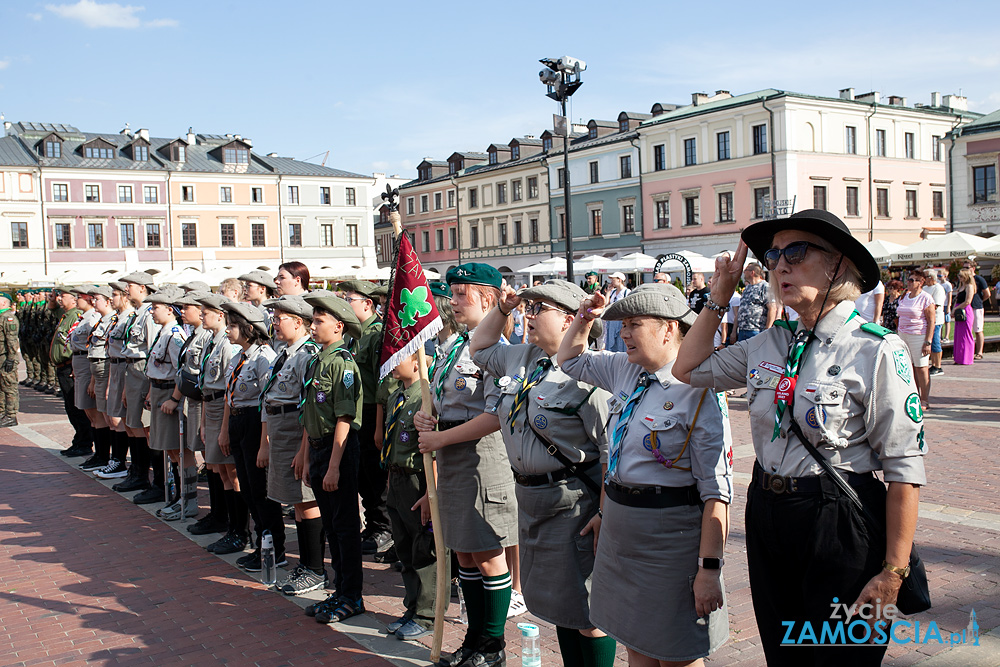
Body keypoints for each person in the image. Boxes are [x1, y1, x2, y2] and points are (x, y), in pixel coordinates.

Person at [674, 209, 927, 667]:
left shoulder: (876, 348)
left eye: (796, 251)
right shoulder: (768, 342)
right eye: (773, 255)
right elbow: (686, 369)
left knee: (839, 658)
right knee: (784, 654)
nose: (779, 265)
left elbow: (904, 470)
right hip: (770, 513)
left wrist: (893, 571)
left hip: (838, 520)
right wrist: (718, 297)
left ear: (837, 264)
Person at [559, 282, 732, 666]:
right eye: (621, 325)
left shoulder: (699, 388)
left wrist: (709, 569)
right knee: (635, 645)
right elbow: (569, 359)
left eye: (633, 323)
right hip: (622, 531)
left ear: (668, 328)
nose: (622, 333)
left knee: (676, 652)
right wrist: (586, 316)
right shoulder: (624, 369)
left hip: (669, 538)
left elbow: (716, 492)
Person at [471, 280, 617, 666]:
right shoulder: (522, 357)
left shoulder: (593, 374)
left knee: (587, 609)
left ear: (571, 319)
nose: (529, 315)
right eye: (529, 307)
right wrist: (503, 309)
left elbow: (610, 453)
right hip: (532, 499)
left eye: (539, 309)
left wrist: (604, 512)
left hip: (573, 502)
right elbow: (480, 348)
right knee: (561, 606)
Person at [413, 263, 518, 667]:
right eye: (452, 294)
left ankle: (493, 646)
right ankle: (475, 640)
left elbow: (495, 416)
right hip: (452, 454)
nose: (453, 302)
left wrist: (440, 436)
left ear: (488, 299)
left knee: (488, 554)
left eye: (462, 295)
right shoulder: (452, 345)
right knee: (466, 555)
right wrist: (430, 419)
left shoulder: (496, 351)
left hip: (483, 457)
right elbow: (443, 402)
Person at [299, 290, 366, 624]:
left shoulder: (343, 364)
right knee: (331, 525)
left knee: (344, 527)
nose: (313, 325)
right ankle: (339, 590)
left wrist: (334, 466)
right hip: (319, 447)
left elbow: (344, 417)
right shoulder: (317, 360)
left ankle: (352, 596)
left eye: (319, 320)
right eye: (313, 319)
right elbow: (309, 413)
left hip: (337, 449)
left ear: (339, 326)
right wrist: (307, 455)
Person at [259, 295, 328, 596]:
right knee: (297, 502)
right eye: (273, 317)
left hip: (295, 432)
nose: (274, 322)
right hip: (281, 430)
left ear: (299, 322)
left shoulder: (307, 355)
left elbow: (308, 407)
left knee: (307, 500)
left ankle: (315, 569)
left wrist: (304, 450)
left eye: (279, 317)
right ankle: (306, 565)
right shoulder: (285, 353)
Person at [219, 301, 283, 572]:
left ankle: (273, 548)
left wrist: (264, 443)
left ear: (248, 328)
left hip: (255, 423)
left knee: (260, 490)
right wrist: (224, 429)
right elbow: (229, 395)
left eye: (232, 326)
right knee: (247, 487)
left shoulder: (263, 357)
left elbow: (267, 400)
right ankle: (261, 544)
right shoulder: (239, 356)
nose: (227, 331)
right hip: (237, 420)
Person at [379, 350, 438, 640]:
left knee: (424, 549)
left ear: (416, 362)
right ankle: (412, 607)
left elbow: (433, 451)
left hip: (418, 481)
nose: (391, 363)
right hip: (398, 479)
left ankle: (427, 615)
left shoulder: (424, 398)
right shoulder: (395, 396)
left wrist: (430, 493)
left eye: (397, 357)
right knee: (404, 548)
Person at [338, 280, 394, 557]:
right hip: (357, 412)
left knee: (375, 474)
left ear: (367, 304)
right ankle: (372, 524)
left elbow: (383, 380)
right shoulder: (353, 336)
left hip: (373, 411)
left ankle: (384, 527)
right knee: (362, 474)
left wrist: (380, 424)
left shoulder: (377, 334)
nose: (346, 303)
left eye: (350, 299)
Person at [195, 293, 248, 550]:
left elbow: (231, 390)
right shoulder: (213, 342)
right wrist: (205, 422)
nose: (201, 315)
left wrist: (223, 427)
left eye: (206, 312)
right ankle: (227, 523)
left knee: (231, 472)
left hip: (223, 408)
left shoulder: (228, 346)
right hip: (213, 407)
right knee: (220, 469)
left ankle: (239, 529)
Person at [144, 289, 192, 520]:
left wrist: (174, 399)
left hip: (168, 395)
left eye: (155, 307)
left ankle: (186, 497)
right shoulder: (164, 333)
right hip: (158, 392)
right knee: (170, 450)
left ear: (169, 309)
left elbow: (180, 372)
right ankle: (177, 494)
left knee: (178, 450)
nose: (152, 312)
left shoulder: (175, 336)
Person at [120, 272, 162, 503]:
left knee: (147, 429)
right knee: (134, 424)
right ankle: (138, 472)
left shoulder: (149, 314)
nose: (127, 290)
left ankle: (154, 481)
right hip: (133, 371)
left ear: (143, 287)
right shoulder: (139, 314)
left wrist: (148, 387)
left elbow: (154, 352)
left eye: (130, 286)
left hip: (144, 372)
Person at [51, 286, 93, 457]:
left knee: (77, 408)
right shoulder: (66, 315)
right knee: (71, 406)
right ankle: (79, 440)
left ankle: (84, 442)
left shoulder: (76, 316)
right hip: (65, 366)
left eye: (63, 296)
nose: (59, 299)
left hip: (71, 366)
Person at [99, 281, 135, 482]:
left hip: (124, 366)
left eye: (114, 295)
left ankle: (120, 461)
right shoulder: (118, 318)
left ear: (125, 296)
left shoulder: (130, 318)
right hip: (114, 365)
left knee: (119, 418)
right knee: (112, 417)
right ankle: (116, 459)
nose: (111, 298)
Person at [80, 286, 115, 471]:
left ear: (108, 300)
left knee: (111, 418)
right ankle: (101, 455)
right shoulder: (101, 321)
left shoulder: (113, 321)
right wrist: (93, 380)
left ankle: (110, 458)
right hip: (97, 368)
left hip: (106, 369)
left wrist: (108, 381)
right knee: (101, 415)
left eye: (97, 298)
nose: (93, 302)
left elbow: (110, 354)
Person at [897, 270, 935, 410]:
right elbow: (899, 316)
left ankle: (924, 399)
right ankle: (913, 395)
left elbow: (931, 321)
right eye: (909, 279)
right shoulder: (905, 296)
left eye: (913, 280)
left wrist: (928, 341)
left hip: (918, 335)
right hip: (903, 334)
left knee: (921, 367)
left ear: (921, 283)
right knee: (909, 367)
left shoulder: (926, 298)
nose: (910, 282)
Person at [735, 263, 775, 341]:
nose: (744, 272)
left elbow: (772, 309)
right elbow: (740, 309)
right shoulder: (747, 288)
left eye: (745, 270)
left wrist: (767, 330)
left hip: (757, 330)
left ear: (752, 272)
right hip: (742, 331)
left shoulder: (765, 287)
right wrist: (734, 331)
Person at [964, 260, 990, 360]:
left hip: (976, 307)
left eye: (967, 267)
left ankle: (979, 352)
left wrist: (979, 301)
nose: (965, 270)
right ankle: (968, 351)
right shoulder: (964, 279)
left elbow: (987, 293)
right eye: (964, 268)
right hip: (966, 307)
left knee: (978, 329)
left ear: (973, 268)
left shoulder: (979, 279)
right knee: (967, 330)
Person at [0, 292, 19, 427]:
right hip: (1, 357)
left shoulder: (7, 318)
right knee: (1, 387)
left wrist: (11, 359)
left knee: (9, 386)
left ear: (3, 303)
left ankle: (11, 415)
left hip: (6, 357)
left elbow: (11, 341)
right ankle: (2, 412)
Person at [922, 270, 946, 377]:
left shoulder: (938, 288)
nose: (924, 279)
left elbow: (936, 304)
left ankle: (938, 365)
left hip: (936, 319)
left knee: (935, 342)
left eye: (925, 277)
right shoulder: (925, 288)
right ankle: (933, 364)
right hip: (925, 319)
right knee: (930, 342)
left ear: (931, 278)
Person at [952, 269, 976, 365]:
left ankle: (967, 358)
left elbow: (967, 301)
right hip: (959, 310)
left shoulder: (969, 286)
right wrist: (953, 309)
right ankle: (959, 357)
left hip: (965, 310)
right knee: (958, 335)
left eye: (961, 276)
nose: (959, 278)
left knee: (966, 334)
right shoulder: (961, 286)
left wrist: (956, 308)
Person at [603, 272, 630, 352]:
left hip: (621, 321)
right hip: (611, 321)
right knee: (610, 342)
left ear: (619, 280)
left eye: (613, 279)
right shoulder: (613, 292)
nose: (611, 281)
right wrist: (608, 291)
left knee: (620, 343)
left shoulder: (626, 292)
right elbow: (606, 304)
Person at [939, 270, 953, 342]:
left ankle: (946, 336)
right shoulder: (938, 284)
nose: (938, 278)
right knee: (940, 321)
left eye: (940, 276)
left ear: (945, 276)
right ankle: (940, 336)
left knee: (947, 320)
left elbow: (950, 296)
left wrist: (948, 306)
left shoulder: (948, 285)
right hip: (940, 304)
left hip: (945, 304)